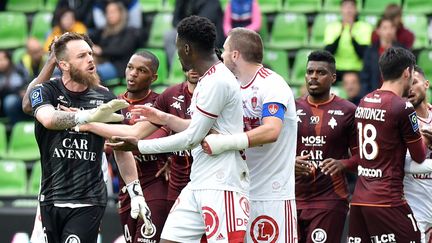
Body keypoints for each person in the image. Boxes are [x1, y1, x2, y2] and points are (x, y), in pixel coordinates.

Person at [107, 15, 249, 242]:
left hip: (223, 184)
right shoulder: (207, 80)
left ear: (186, 48)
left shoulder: (218, 80)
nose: (176, 55)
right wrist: (163, 117)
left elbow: (192, 138)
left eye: (176, 48)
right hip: (200, 180)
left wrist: (140, 146)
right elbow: (197, 127)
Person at [25, 32, 152, 243]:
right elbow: (47, 119)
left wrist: (135, 190)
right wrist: (86, 117)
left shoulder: (105, 97)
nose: (90, 59)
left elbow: (120, 146)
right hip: (50, 198)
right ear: (64, 65)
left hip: (88, 200)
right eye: (82, 56)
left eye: (91, 54)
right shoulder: (46, 91)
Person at [201, 27, 297, 242]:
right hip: (238, 192)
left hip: (271, 195)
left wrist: (227, 142)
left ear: (235, 55)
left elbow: (272, 130)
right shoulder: (231, 87)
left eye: (225, 50)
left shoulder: (272, 84)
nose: (222, 55)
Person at [345, 47, 425, 242]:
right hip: (387, 201)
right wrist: (425, 139)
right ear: (407, 71)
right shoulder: (402, 107)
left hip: (359, 200)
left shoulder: (364, 101)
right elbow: (419, 155)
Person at [294, 50, 357, 243]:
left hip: (330, 200)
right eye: (310, 71)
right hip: (291, 198)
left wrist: (343, 164)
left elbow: (363, 158)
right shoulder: (291, 108)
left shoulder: (348, 111)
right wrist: (289, 162)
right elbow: (274, 152)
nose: (313, 77)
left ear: (333, 77)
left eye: (320, 72)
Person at [404, 65, 432, 243]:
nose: (410, 89)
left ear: (426, 84)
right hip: (415, 207)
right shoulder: (402, 122)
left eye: (414, 82)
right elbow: (401, 163)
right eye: (406, 85)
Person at [164, 0, 224, 67]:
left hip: (208, 37)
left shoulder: (211, 2)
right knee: (170, 35)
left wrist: (185, 28)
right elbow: (175, 21)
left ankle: (192, 67)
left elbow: (203, 23)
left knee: (193, 38)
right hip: (187, 32)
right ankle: (178, 68)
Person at [90, 1, 139, 82]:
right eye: (107, 12)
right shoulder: (104, 31)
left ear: (121, 13)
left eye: (113, 12)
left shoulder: (129, 31)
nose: (109, 15)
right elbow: (90, 37)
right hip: (104, 63)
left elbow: (121, 50)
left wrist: (101, 51)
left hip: (119, 66)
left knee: (92, 73)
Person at [324, 0, 372, 79]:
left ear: (356, 9)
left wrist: (351, 35)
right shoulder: (332, 27)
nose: (348, 10)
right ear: (341, 9)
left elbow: (363, 54)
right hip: (337, 69)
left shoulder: (365, 27)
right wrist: (340, 33)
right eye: (346, 6)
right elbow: (328, 52)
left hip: (357, 69)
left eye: (351, 6)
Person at [360, 16, 401, 96]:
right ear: (378, 30)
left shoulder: (402, 50)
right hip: (375, 94)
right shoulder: (370, 51)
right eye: (385, 28)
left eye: (391, 27)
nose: (389, 31)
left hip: (397, 95)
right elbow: (365, 76)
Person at [0, 50, 29, 124]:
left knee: (10, 101)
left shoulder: (18, 70)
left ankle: (16, 125)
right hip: (2, 101)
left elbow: (26, 85)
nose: (1, 63)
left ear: (9, 59)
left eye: (2, 60)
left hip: (18, 100)